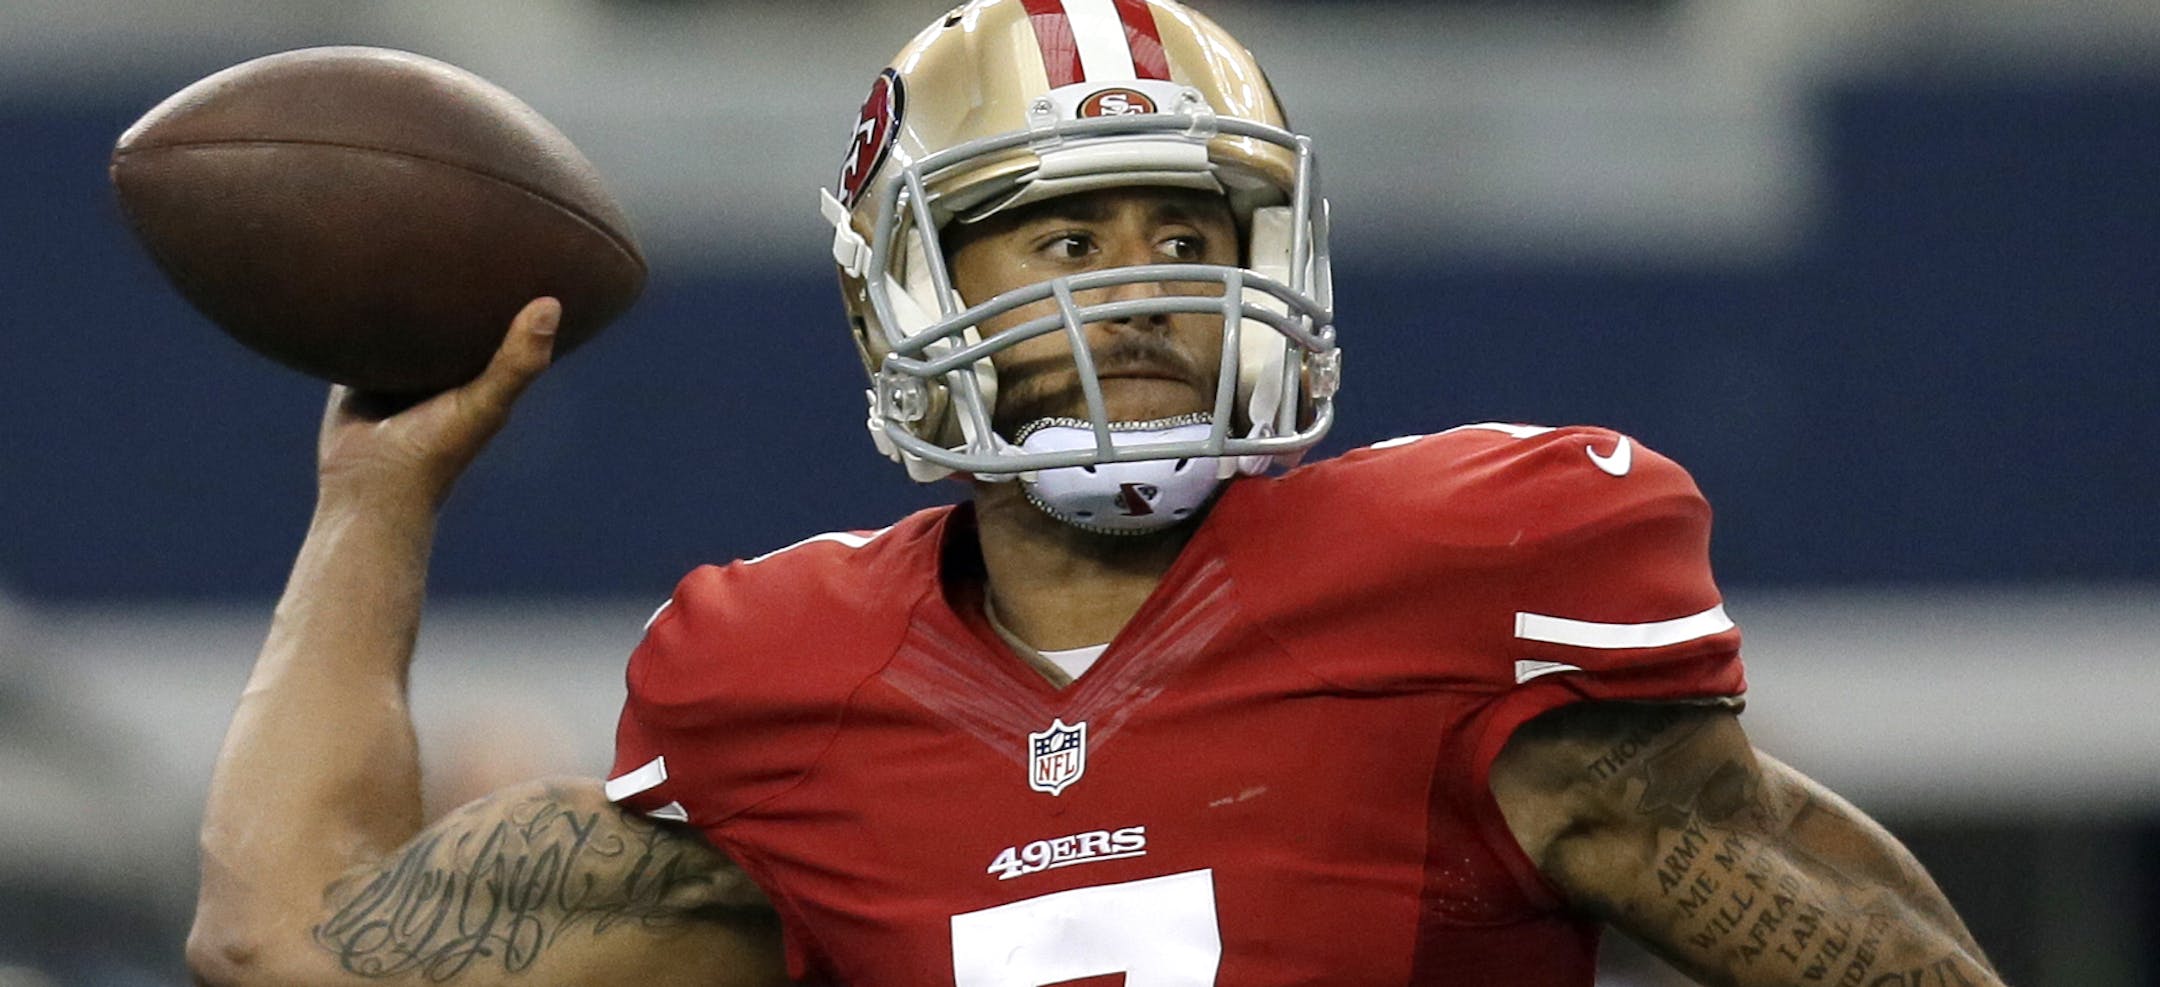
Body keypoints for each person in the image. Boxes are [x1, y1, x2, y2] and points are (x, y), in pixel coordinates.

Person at [187, 2, 2006, 985]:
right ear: (904, 291)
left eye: (1187, 229)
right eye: (1061, 233)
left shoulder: (1475, 577)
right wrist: (376, 503)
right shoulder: (776, 686)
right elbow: (294, 942)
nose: (1139, 284)